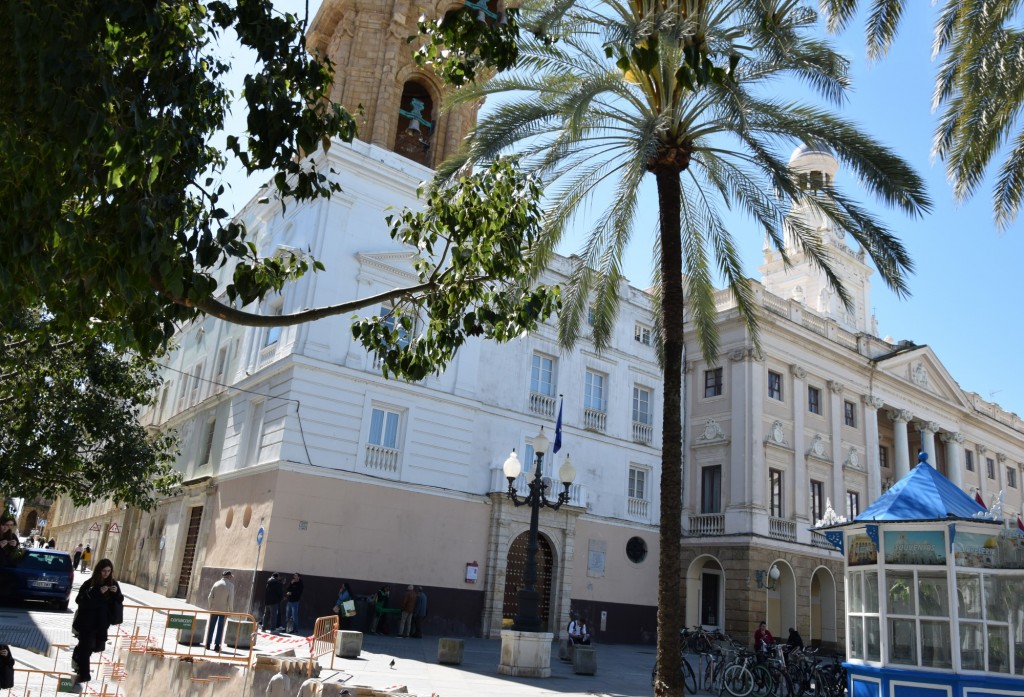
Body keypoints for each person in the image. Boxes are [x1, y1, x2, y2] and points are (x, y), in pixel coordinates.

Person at [71, 558, 124, 684]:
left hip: (102, 623)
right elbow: (80, 600)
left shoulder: (113, 584)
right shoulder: (89, 583)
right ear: (98, 571)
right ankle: (84, 674)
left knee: (92, 648)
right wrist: (97, 592)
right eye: (104, 571)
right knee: (86, 647)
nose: (106, 574)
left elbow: (120, 600)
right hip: (87, 622)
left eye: (108, 571)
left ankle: (79, 664)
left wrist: (116, 594)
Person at [205, 570, 235, 652]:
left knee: (211, 627)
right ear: (229, 576)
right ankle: (217, 646)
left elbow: (209, 597)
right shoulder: (230, 585)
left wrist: (211, 606)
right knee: (220, 628)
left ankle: (207, 644)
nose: (231, 578)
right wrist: (230, 611)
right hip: (223, 610)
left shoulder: (216, 583)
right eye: (231, 576)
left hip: (214, 609)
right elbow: (230, 600)